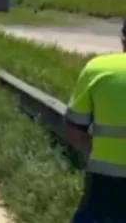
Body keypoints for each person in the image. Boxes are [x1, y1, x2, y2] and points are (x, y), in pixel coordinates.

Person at [64, 51, 126, 222]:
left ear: (123, 38)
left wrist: (91, 152)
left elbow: (74, 130)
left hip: (105, 180)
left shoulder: (98, 68)